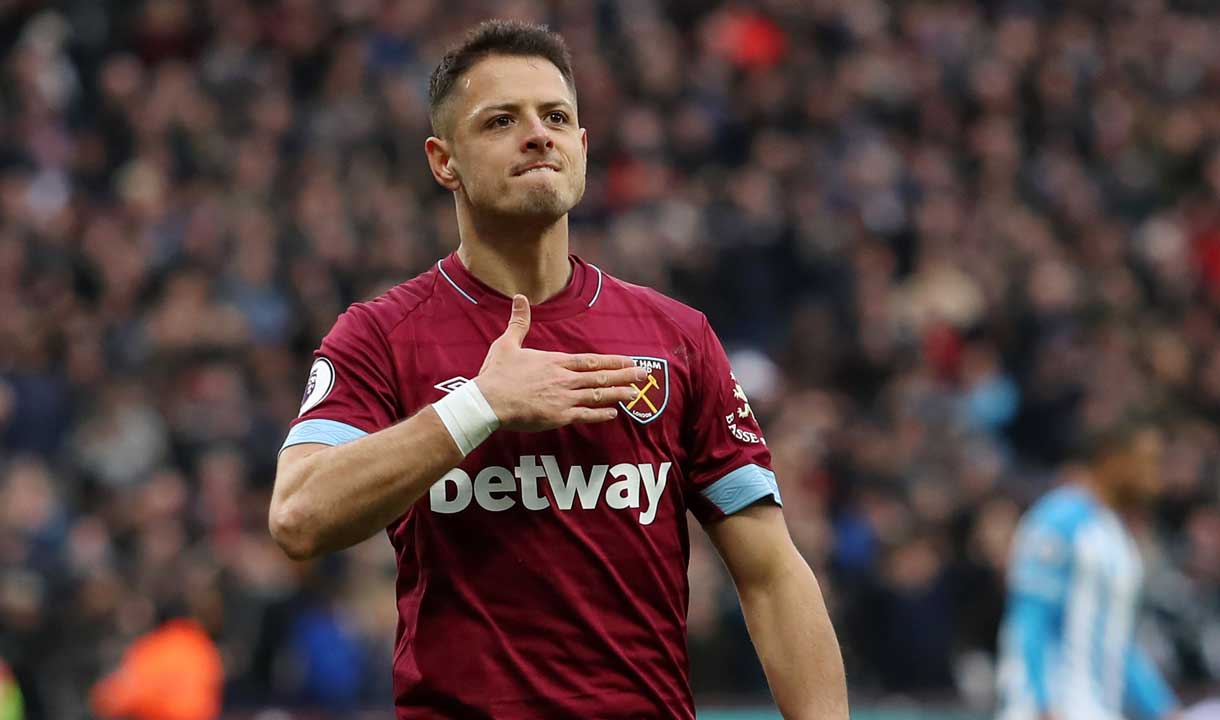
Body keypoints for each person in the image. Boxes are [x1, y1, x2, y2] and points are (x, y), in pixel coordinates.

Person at [269, 19, 848, 720]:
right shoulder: (381, 336)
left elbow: (772, 576)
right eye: (501, 121)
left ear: (581, 145)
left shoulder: (675, 338)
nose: (538, 134)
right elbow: (298, 517)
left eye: (556, 117)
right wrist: (477, 407)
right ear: (443, 160)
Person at [995, 422, 1181, 720]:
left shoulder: (1114, 532)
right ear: (1111, 457)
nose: (1154, 472)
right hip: (1055, 709)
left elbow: (1115, 642)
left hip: (1096, 709)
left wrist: (1162, 708)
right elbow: (1030, 619)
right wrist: (1043, 704)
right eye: (1146, 458)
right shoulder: (1059, 518)